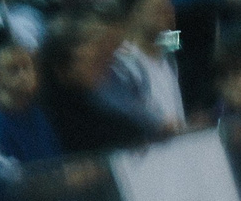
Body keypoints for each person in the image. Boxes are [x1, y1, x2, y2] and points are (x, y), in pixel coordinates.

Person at [39, 17, 158, 154]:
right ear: (62, 68)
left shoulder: (93, 104)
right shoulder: (45, 118)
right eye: (97, 61)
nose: (107, 64)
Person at [101, 0, 186, 136]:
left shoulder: (171, 51)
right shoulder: (119, 62)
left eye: (169, 5)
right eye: (159, 8)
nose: (169, 12)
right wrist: (161, 125)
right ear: (135, 14)